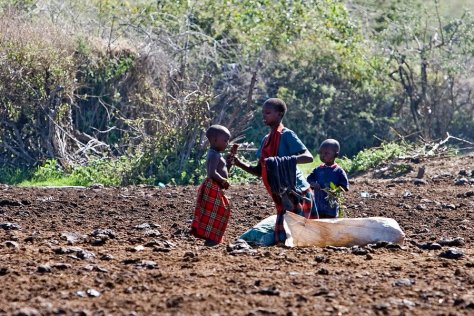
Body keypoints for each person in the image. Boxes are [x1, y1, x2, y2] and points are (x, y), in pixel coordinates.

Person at [231, 98, 318, 245]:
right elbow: (259, 170)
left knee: (299, 238)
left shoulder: (286, 135)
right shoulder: (266, 140)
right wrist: (238, 163)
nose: (264, 116)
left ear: (279, 114)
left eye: (268, 113)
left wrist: (284, 161)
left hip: (296, 191)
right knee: (284, 239)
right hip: (281, 193)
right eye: (263, 113)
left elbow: (308, 157)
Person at [190, 125, 231, 246]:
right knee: (220, 210)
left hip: (215, 186)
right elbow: (212, 173)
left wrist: (229, 163)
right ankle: (211, 237)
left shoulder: (217, 154)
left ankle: (212, 237)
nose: (227, 143)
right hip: (212, 186)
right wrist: (223, 181)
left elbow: (222, 170)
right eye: (225, 140)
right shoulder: (213, 154)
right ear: (214, 140)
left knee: (216, 211)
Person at [307, 139, 349, 218]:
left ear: (335, 155)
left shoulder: (339, 171)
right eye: (321, 153)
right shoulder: (318, 169)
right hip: (318, 206)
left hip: (331, 207)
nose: (323, 155)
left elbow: (344, 186)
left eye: (326, 153)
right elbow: (309, 180)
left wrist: (335, 190)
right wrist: (313, 184)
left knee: (330, 224)